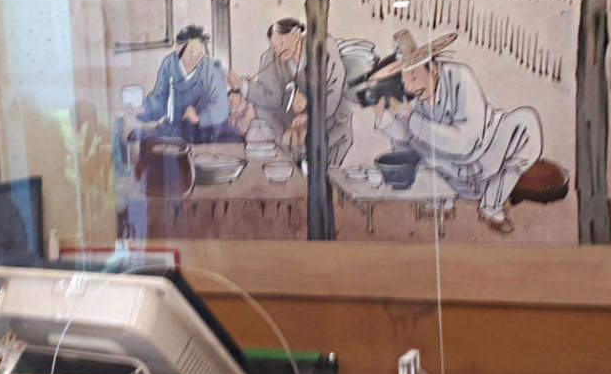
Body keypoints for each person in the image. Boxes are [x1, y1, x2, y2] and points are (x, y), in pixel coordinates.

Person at [371, 30, 543, 234]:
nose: (409, 87)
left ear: (434, 69)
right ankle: (442, 200)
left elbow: (467, 142)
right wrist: (384, 117)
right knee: (407, 143)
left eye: (414, 76)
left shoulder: (460, 76)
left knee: (527, 122)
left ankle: (491, 205)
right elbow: (406, 140)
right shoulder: (413, 101)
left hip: (488, 154)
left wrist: (413, 120)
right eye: (404, 80)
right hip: (449, 172)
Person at [229, 18, 354, 165]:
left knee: (325, 172)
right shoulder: (273, 57)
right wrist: (243, 85)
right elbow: (271, 95)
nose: (279, 50)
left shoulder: (323, 45)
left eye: (282, 43)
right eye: (274, 46)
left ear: (296, 35)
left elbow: (334, 88)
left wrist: (310, 114)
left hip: (331, 118)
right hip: (296, 125)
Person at [128, 24, 234, 143]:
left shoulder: (210, 68)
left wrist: (199, 118)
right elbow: (159, 98)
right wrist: (143, 109)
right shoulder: (169, 64)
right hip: (174, 128)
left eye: (200, 52)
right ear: (178, 48)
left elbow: (221, 105)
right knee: (136, 138)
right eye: (191, 51)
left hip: (205, 130)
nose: (195, 56)